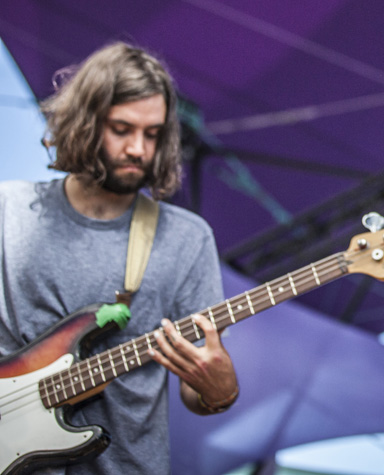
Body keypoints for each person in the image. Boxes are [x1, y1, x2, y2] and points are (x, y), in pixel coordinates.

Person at [0, 42, 239, 473]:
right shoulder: (7, 210)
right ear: (85, 122)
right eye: (122, 129)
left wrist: (219, 390)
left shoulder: (187, 238)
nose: (138, 149)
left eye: (153, 134)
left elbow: (195, 389)